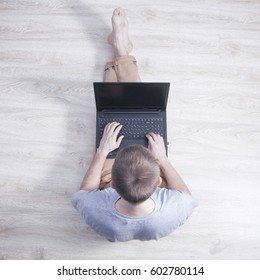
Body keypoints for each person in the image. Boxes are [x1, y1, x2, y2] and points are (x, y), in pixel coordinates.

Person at [71, 8, 198, 242]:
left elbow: (83, 193)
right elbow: (186, 196)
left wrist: (103, 152)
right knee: (136, 108)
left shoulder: (95, 210)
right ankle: (121, 51)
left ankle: (121, 51)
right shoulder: (174, 209)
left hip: (116, 183)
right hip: (144, 176)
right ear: (159, 184)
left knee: (113, 115)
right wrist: (163, 159)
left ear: (112, 187)